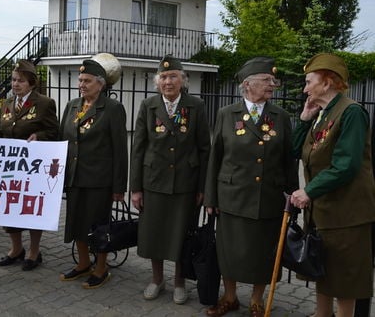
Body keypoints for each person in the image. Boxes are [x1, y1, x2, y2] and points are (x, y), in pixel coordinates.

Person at [204, 57, 298, 317]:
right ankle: (230, 296)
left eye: (273, 81)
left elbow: (289, 160)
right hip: (232, 196)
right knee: (229, 251)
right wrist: (210, 197)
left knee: (263, 253)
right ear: (248, 84)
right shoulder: (227, 114)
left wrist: (292, 197)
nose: (273, 85)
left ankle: (257, 300)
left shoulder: (280, 116)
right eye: (267, 80)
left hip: (267, 197)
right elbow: (216, 158)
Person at [290, 53, 375, 317]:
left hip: (346, 212)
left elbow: (346, 165)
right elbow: (296, 150)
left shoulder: (351, 112)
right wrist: (304, 120)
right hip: (324, 210)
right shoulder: (323, 113)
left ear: (327, 82)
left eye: (309, 81)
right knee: (323, 270)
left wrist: (309, 190)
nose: (305, 88)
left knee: (344, 278)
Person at [130, 54, 211, 305]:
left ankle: (179, 282)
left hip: (185, 183)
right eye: (164, 77)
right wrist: (135, 188)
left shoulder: (195, 106)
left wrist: (202, 188)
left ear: (182, 80)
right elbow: (138, 148)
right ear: (157, 82)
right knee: (154, 234)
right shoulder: (149, 105)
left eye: (173, 76)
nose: (168, 82)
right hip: (153, 181)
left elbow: (204, 149)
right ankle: (156, 279)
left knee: (180, 235)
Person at [0, 60, 58, 271]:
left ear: (31, 83)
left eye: (20, 81)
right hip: (11, 167)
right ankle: (16, 249)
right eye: (13, 80)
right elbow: (5, 131)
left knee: (30, 209)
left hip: (33, 168)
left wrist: (38, 136)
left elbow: (54, 131)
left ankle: (34, 251)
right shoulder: (7, 102)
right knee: (10, 207)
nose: (15, 84)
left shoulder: (45, 103)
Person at [58, 56, 128, 289]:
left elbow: (120, 150)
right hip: (75, 177)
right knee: (76, 222)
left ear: (101, 83)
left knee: (99, 226)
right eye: (80, 80)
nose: (82, 84)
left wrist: (119, 187)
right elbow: (62, 141)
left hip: (99, 180)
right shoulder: (72, 106)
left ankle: (101, 267)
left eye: (87, 80)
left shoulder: (112, 109)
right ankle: (83, 263)